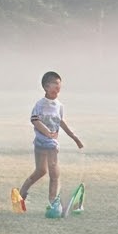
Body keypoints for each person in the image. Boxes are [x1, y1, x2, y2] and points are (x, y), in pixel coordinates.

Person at [16, 72, 83, 210]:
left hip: (52, 144)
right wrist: (47, 132)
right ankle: (22, 194)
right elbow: (34, 120)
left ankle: (53, 202)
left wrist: (74, 137)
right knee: (41, 171)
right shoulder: (40, 104)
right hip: (40, 142)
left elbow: (61, 122)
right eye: (55, 84)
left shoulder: (59, 106)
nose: (58, 88)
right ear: (46, 87)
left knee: (54, 171)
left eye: (60, 85)